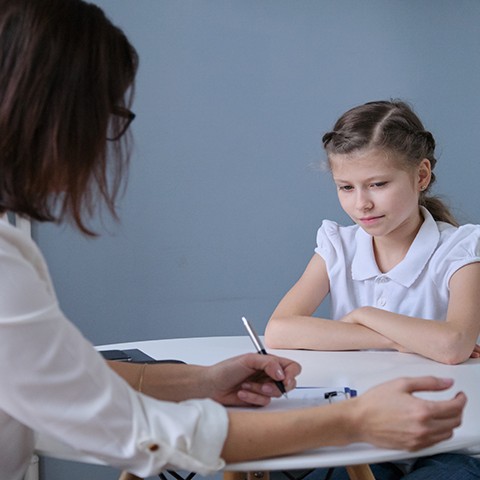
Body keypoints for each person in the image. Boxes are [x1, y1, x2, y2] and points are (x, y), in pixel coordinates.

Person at [0, 2, 468, 479]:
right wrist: (349, 417)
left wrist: (203, 381)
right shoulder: (5, 267)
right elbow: (133, 426)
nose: (104, 142)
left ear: (422, 175)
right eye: (105, 115)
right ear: (43, 113)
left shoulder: (459, 248)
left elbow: (74, 381)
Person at [265, 100, 480, 478]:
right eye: (346, 187)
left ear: (421, 175)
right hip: (362, 438)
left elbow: (453, 345)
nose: (361, 203)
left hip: (450, 443)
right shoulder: (339, 246)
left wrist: (367, 315)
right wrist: (395, 339)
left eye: (378, 184)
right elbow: (280, 330)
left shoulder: (461, 249)